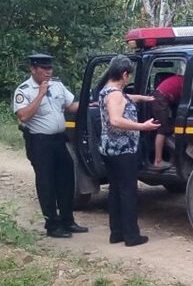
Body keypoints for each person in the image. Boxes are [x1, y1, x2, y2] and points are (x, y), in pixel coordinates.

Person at [13, 53, 88, 239]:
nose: (48, 72)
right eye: (44, 69)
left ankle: (67, 220)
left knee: (66, 180)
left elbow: (71, 106)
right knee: (46, 183)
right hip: (39, 142)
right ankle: (52, 225)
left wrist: (91, 102)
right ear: (33, 69)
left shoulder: (58, 85)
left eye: (50, 68)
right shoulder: (24, 90)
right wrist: (40, 94)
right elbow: (23, 116)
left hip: (59, 140)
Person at [97, 55, 159, 246]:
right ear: (124, 74)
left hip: (110, 150)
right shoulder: (115, 95)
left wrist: (143, 98)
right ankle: (132, 236)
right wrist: (143, 126)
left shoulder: (107, 91)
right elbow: (115, 120)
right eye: (129, 76)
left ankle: (117, 233)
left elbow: (125, 98)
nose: (129, 79)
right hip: (123, 151)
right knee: (128, 192)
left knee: (115, 191)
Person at [148, 72, 184, 169]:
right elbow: (184, 99)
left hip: (161, 98)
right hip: (160, 99)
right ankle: (158, 160)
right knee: (163, 129)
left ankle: (173, 157)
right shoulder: (184, 82)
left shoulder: (180, 79)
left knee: (169, 127)